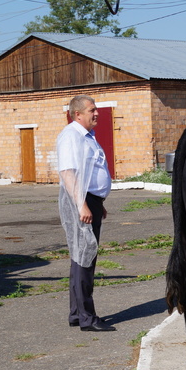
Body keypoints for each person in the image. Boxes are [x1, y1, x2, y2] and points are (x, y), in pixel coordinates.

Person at [57, 95, 116, 332]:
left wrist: (97, 203)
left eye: (96, 109)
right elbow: (67, 172)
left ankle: (76, 314)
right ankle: (87, 318)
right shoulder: (71, 136)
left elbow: (89, 170)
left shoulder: (88, 136)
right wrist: (82, 204)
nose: (97, 113)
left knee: (82, 257)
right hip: (80, 201)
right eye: (92, 110)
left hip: (90, 201)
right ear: (77, 114)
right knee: (85, 258)